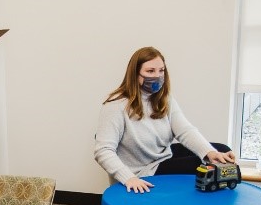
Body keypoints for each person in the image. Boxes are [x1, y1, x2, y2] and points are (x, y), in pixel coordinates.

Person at [94, 46, 235, 192]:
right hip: (141, 171)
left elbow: (185, 131)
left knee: (220, 152)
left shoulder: (165, 99)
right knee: (201, 165)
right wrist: (128, 177)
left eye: (161, 70)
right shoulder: (115, 106)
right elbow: (103, 151)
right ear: (135, 74)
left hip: (161, 159)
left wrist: (210, 153)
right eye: (150, 71)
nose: (157, 76)